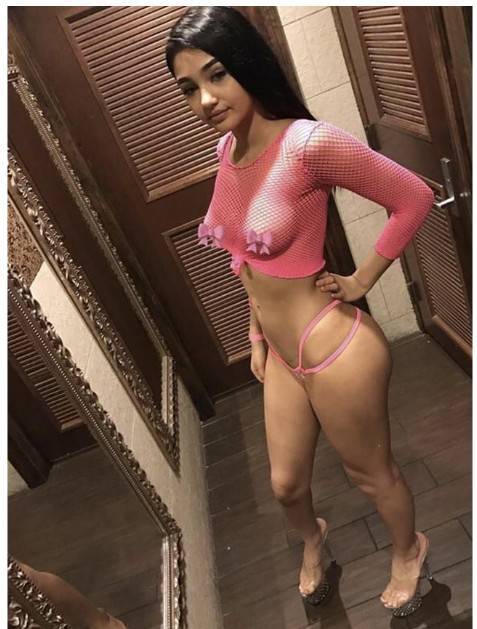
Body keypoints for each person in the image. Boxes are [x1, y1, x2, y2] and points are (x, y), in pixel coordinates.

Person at [166, 6, 435, 618]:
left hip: (334, 346)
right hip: (283, 353)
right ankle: (314, 538)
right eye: (189, 87)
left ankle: (408, 549)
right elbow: (244, 258)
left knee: (371, 474)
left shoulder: (308, 143)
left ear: (248, 64)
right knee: (286, 486)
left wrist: (361, 279)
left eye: (216, 75)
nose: (205, 99)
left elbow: (413, 197)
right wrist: (256, 334)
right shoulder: (226, 151)